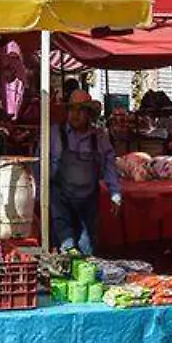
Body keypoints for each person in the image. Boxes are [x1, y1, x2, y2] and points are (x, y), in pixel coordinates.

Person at [49, 90, 122, 255]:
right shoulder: (53, 134)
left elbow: (110, 164)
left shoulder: (99, 137)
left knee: (87, 250)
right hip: (60, 202)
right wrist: (39, 196)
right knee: (66, 248)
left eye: (81, 110)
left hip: (88, 202)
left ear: (89, 113)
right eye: (72, 109)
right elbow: (40, 165)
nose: (75, 114)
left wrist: (115, 193)